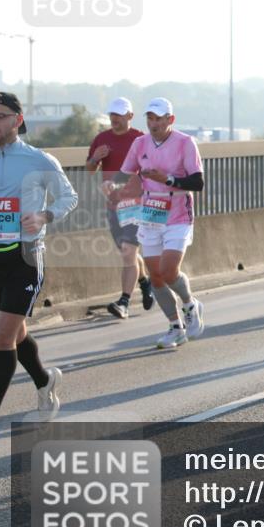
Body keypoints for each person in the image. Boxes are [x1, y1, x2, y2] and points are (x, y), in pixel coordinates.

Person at [0, 92, 78, 437]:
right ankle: (45, 380)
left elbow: (69, 197)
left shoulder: (39, 160)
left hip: (25, 257)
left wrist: (45, 214)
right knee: (13, 332)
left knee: (2, 338)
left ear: (17, 119)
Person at [104, 98, 206, 348]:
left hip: (178, 212)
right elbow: (125, 173)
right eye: (150, 118)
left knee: (169, 270)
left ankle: (190, 304)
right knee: (156, 277)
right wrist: (113, 185)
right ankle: (175, 326)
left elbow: (198, 183)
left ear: (170, 120)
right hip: (151, 212)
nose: (153, 123)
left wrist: (167, 179)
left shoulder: (185, 143)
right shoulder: (140, 144)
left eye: (159, 118)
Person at [86, 97, 153, 319]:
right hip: (114, 206)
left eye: (119, 114)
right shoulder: (101, 139)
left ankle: (124, 302)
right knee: (128, 254)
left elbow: (152, 169)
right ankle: (145, 282)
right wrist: (96, 158)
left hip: (136, 204)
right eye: (112, 114)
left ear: (130, 116)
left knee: (128, 252)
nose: (114, 118)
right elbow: (89, 170)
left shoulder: (141, 139)